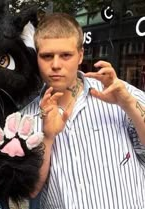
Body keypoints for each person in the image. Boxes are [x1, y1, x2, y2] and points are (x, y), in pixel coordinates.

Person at [23, 13, 145, 209]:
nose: (55, 65)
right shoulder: (26, 118)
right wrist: (48, 136)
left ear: (80, 55)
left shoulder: (118, 92)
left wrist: (129, 105)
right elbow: (31, 189)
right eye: (47, 56)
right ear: (37, 57)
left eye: (65, 55)